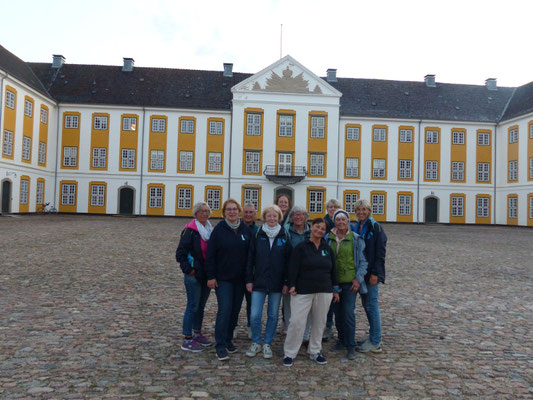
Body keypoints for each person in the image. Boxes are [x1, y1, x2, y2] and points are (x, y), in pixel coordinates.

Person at [283, 218, 339, 367]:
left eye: (322, 228)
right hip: (303, 290)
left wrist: (335, 289)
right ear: (312, 227)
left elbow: (333, 270)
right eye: (317, 227)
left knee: (319, 322)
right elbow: (293, 267)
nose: (319, 230)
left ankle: (315, 350)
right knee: (296, 322)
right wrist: (292, 285)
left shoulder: (327, 249)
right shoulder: (301, 247)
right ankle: (289, 352)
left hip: (324, 290)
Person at [206, 199, 252, 361]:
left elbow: (250, 257)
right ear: (224, 212)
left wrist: (248, 278)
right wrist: (210, 276)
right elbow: (210, 255)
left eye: (234, 209)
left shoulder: (245, 230)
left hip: (239, 279)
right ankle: (220, 344)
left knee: (234, 311)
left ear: (238, 211)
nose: (232, 212)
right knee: (224, 309)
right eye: (229, 210)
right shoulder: (219, 230)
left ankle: (228, 340)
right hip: (223, 278)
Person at [245, 205, 290, 359]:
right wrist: (249, 280)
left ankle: (267, 343)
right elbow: (250, 259)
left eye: (275, 216)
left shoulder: (284, 235)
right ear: (264, 217)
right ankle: (256, 341)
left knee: (272, 314)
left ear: (279, 218)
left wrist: (286, 282)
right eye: (269, 216)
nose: (272, 219)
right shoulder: (258, 234)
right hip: (259, 281)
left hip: (277, 283)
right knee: (255, 314)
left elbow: (288, 262)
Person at [326, 209, 368, 359]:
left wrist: (358, 279)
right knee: (337, 313)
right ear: (334, 222)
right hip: (334, 283)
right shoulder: (328, 238)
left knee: (348, 313)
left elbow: (363, 262)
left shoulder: (356, 239)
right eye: (338, 220)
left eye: (344, 220)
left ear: (348, 221)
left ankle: (350, 345)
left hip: (350, 283)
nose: (341, 222)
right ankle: (342, 339)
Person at [176, 201, 214, 352]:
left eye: (207, 211)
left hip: (206, 274)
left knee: (201, 306)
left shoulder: (210, 229)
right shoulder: (190, 231)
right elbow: (180, 254)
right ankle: (187, 338)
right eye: (202, 211)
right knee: (192, 305)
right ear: (196, 213)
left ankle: (197, 333)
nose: (205, 213)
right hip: (194, 275)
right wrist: (189, 270)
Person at [352, 199, 387, 353]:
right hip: (362, 272)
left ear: (369, 211)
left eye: (364, 210)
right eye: (358, 210)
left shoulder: (375, 227)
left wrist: (376, 274)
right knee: (367, 305)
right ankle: (372, 336)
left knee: (372, 306)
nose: (361, 212)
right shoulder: (358, 227)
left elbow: (380, 253)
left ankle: (375, 341)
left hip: (371, 273)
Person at [281, 206, 311, 338]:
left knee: (307, 306)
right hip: (289, 273)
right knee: (289, 305)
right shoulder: (286, 232)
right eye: (295, 215)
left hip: (307, 275)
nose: (298, 217)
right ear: (291, 218)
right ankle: (291, 332)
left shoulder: (311, 232)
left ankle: (305, 335)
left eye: (301, 215)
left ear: (305, 217)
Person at [322, 198, 341, 341]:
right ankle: (327, 326)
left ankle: (341, 328)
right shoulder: (323, 224)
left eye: (335, 207)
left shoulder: (343, 222)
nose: (332, 209)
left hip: (341, 268)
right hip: (326, 266)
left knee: (341, 302)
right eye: (330, 207)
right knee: (327, 301)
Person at [241, 203, 259, 339]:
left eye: (251, 212)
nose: (248, 215)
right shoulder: (237, 228)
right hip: (237, 271)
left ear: (255, 214)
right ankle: (233, 326)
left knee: (252, 303)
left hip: (253, 273)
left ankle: (251, 326)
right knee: (234, 303)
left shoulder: (258, 231)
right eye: (246, 212)